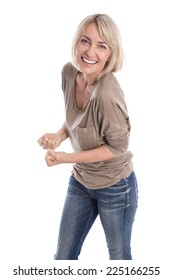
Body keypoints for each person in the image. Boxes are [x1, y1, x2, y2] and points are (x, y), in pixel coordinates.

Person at [38, 13, 138, 260]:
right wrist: (60, 135)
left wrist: (66, 158)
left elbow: (117, 148)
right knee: (63, 257)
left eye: (101, 46)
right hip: (82, 182)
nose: (90, 52)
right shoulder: (69, 74)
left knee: (119, 258)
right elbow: (79, 119)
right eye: (85, 41)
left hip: (115, 186)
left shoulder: (107, 93)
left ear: (111, 53)